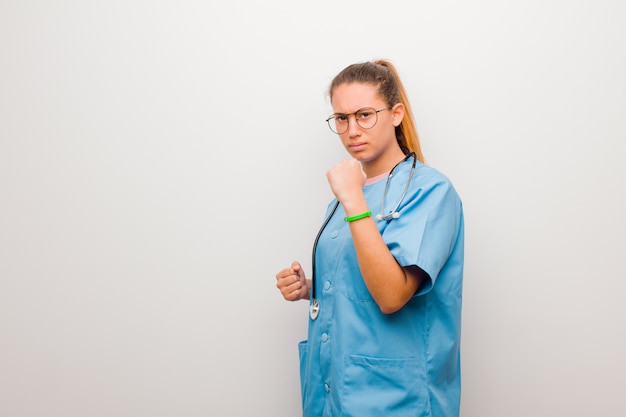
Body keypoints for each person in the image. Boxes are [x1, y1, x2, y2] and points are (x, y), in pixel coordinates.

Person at [275, 59, 464, 417]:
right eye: (341, 118)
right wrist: (311, 287)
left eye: (364, 115)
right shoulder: (348, 197)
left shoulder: (431, 191)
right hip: (334, 395)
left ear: (395, 114)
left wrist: (353, 199)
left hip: (396, 400)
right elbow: (361, 279)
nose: (351, 130)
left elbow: (393, 294)